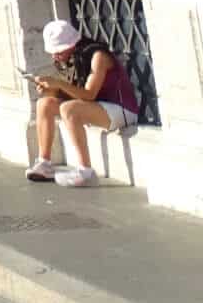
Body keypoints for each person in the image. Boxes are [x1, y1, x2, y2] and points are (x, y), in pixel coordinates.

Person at [26, 18, 140, 187]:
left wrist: (58, 84)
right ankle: (44, 163)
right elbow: (74, 92)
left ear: (72, 44)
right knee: (45, 103)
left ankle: (86, 171)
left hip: (122, 109)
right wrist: (51, 90)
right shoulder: (72, 58)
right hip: (97, 107)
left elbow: (89, 95)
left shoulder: (98, 57)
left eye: (59, 51)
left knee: (68, 109)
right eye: (52, 52)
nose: (55, 56)